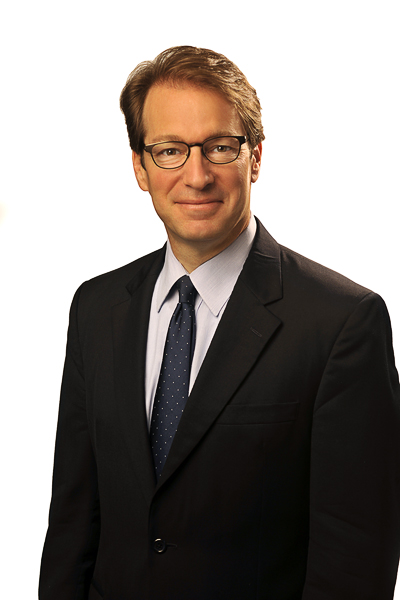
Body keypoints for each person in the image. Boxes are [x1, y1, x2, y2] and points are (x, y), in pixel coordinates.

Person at [39, 46, 400, 600]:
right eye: (169, 150)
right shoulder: (96, 307)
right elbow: (72, 525)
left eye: (220, 147)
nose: (197, 175)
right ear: (139, 167)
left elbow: (355, 564)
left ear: (255, 158)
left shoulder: (341, 325)